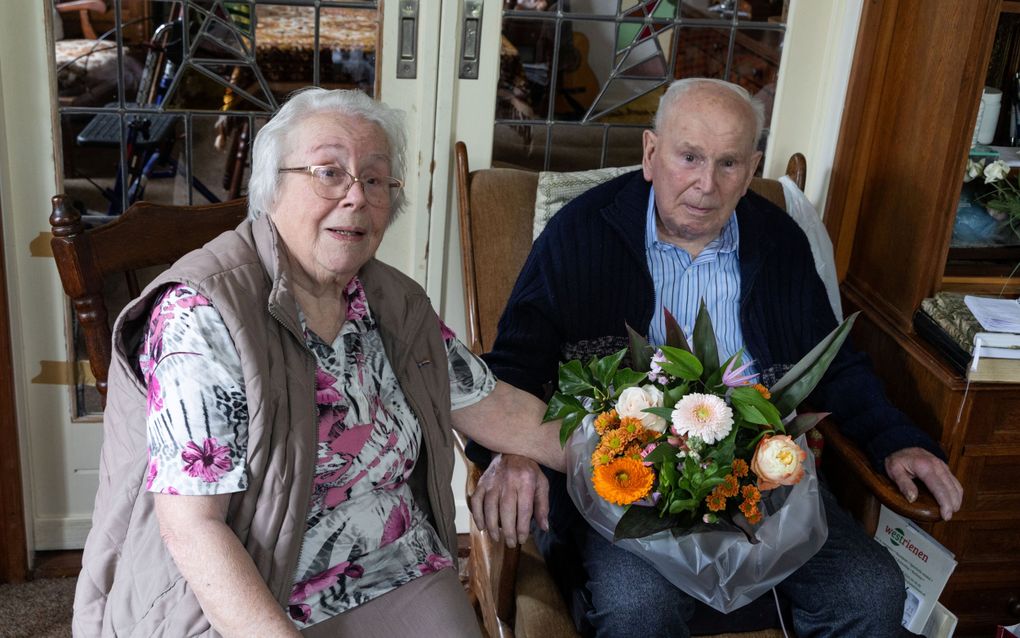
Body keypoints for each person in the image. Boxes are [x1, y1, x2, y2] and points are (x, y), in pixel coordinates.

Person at [468, 78, 964, 638]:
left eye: (728, 164)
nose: (706, 184)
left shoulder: (777, 242)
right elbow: (514, 363)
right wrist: (511, 453)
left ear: (751, 170)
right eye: (689, 157)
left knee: (870, 593)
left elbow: (834, 362)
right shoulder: (579, 233)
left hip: (765, 487)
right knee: (637, 608)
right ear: (651, 155)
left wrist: (894, 438)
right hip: (626, 486)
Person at [72, 87, 562, 638]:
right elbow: (193, 529)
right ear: (272, 188)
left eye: (374, 179)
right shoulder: (201, 314)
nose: (356, 197)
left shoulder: (393, 301)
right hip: (250, 584)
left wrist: (626, 451)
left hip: (393, 562)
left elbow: (495, 406)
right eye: (329, 172)